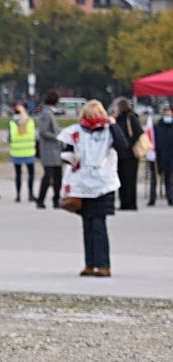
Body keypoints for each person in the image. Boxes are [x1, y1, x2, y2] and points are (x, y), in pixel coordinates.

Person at [58, 100, 128, 277]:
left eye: (95, 116)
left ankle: (103, 264)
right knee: (87, 225)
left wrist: (113, 126)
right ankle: (89, 263)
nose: (92, 120)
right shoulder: (76, 130)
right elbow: (66, 150)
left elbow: (123, 146)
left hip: (102, 184)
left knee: (98, 225)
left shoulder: (108, 130)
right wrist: (71, 158)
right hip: (82, 184)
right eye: (89, 116)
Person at [35, 91, 64, 209]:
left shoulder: (49, 112)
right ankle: (41, 199)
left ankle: (56, 199)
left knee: (58, 176)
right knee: (48, 176)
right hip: (49, 150)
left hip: (55, 150)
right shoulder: (46, 113)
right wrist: (57, 136)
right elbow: (43, 131)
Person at [113, 98, 142, 211]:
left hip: (130, 154)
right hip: (120, 154)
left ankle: (131, 203)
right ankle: (124, 202)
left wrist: (128, 144)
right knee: (121, 180)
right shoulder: (117, 119)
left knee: (130, 179)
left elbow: (138, 132)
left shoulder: (131, 118)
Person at [8, 103, 36, 202]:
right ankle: (31, 194)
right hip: (29, 152)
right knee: (31, 174)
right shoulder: (30, 122)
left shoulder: (12, 123)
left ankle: (18, 195)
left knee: (18, 174)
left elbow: (10, 138)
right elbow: (35, 136)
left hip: (16, 153)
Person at [152, 103, 173, 206]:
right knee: (154, 179)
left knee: (169, 180)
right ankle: (152, 198)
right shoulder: (156, 127)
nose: (168, 117)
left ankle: (170, 198)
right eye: (166, 115)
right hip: (158, 156)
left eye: (170, 115)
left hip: (170, 156)